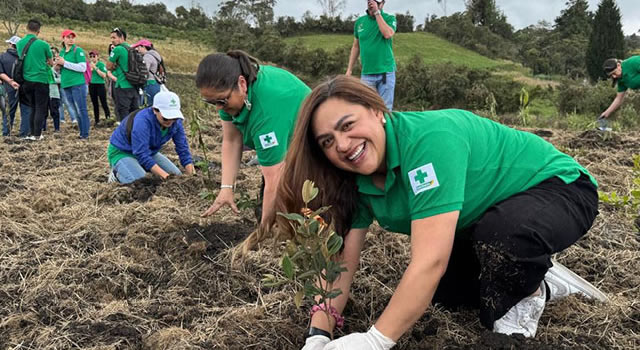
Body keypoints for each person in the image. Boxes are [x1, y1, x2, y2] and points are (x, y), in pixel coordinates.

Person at [257, 76, 608, 349]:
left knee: (500, 242)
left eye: (347, 126)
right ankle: (538, 274)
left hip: (558, 189)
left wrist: (375, 340)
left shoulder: (430, 141)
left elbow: (429, 260)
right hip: (481, 219)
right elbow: (342, 264)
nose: (343, 146)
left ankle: (530, 289)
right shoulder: (353, 179)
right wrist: (319, 332)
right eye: (327, 142)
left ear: (377, 110)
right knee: (443, 293)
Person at [196, 50, 311, 224]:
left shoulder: (265, 112)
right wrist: (226, 188)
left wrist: (262, 233)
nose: (218, 108)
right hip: (283, 131)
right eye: (211, 103)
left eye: (221, 101)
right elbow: (232, 140)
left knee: (300, 204)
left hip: (312, 139)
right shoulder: (230, 97)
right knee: (271, 207)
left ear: (241, 84)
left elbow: (274, 178)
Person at [107, 90, 194, 184]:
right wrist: (167, 178)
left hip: (149, 152)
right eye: (166, 118)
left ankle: (139, 167)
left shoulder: (176, 122)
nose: (170, 121)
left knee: (177, 175)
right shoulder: (142, 122)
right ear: (155, 110)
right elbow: (141, 154)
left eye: (174, 117)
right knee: (142, 183)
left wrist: (192, 176)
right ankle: (117, 174)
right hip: (123, 152)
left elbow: (182, 148)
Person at [346, 0, 397, 111]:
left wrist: (377, 13)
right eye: (369, 0)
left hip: (385, 73)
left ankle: (385, 128)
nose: (371, 2)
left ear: (382, 3)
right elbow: (356, 46)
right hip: (367, 74)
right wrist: (349, 70)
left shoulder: (389, 18)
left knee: (385, 110)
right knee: (367, 108)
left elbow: (387, 34)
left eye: (375, 1)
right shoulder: (360, 22)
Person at [16, 19, 53, 140]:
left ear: (26, 28)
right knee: (40, 107)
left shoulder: (20, 43)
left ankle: (31, 133)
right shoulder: (43, 44)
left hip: (26, 80)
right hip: (41, 79)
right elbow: (50, 62)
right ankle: (37, 134)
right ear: (38, 31)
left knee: (32, 106)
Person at [56, 29, 90, 139]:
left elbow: (82, 67)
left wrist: (64, 63)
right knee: (75, 110)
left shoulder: (77, 50)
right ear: (63, 39)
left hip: (77, 84)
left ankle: (85, 134)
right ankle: (81, 132)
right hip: (66, 84)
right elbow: (60, 69)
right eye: (68, 37)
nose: (71, 39)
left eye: (72, 37)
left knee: (81, 109)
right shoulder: (61, 52)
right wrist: (58, 66)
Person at [0, 35, 31, 137]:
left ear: (10, 44)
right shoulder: (25, 57)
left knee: (8, 111)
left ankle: (6, 133)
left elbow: (0, 73)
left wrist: (9, 81)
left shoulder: (3, 57)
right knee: (26, 110)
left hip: (9, 87)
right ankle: (24, 133)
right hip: (25, 86)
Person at [599, 56, 640, 130]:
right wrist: (606, 113)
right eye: (611, 75)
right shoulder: (621, 80)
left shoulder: (634, 62)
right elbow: (619, 98)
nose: (614, 77)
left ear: (618, 65)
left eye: (614, 73)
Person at [107, 27, 139, 122]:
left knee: (123, 113)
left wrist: (114, 66)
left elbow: (108, 66)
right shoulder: (131, 48)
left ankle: (125, 134)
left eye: (114, 37)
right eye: (111, 38)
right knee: (133, 113)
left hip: (122, 84)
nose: (112, 40)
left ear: (122, 37)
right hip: (134, 84)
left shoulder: (118, 49)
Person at [131, 39, 163, 106]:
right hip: (155, 83)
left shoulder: (147, 57)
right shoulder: (155, 55)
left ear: (143, 47)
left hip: (149, 83)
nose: (138, 49)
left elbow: (144, 71)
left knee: (147, 105)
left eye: (139, 47)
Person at [88, 49, 111, 125]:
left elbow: (104, 75)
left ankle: (108, 117)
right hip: (92, 85)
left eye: (94, 56)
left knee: (103, 102)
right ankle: (96, 119)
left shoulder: (101, 64)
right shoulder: (89, 65)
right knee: (95, 103)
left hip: (100, 84)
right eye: (91, 56)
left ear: (97, 57)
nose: (92, 58)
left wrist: (95, 68)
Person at [43, 60, 61, 132]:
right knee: (44, 112)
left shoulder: (59, 73)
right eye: (58, 65)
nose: (59, 67)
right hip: (47, 93)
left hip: (54, 94)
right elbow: (52, 80)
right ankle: (43, 127)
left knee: (55, 112)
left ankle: (57, 128)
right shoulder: (49, 71)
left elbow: (60, 80)